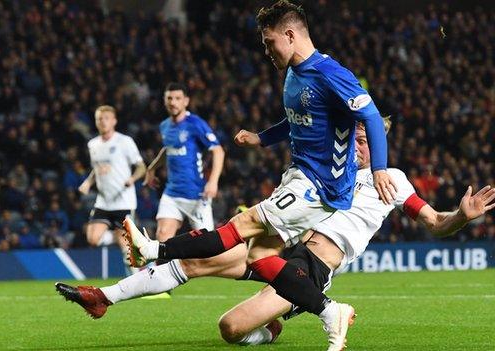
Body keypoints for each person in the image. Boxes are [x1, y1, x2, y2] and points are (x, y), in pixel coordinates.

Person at [55, 120, 495, 350]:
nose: (358, 145)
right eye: (356, 137)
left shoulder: (392, 179)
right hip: (282, 246)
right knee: (194, 261)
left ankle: (276, 326)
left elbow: (436, 222)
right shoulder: (331, 170)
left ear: (379, 144)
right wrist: (263, 140)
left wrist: (462, 214)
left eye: (365, 140)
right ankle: (104, 298)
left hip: (311, 265)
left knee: (229, 329)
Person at [122, 2, 395, 348]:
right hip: (300, 175)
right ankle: (330, 312)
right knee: (258, 257)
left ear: (291, 35)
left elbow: (370, 116)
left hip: (320, 185)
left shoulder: (330, 73)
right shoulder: (295, 73)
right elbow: (297, 121)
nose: (266, 50)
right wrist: (261, 138)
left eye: (269, 42)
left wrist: (380, 169)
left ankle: (154, 249)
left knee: (239, 227)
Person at [143, 82, 225, 242]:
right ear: (164, 101)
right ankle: (168, 267)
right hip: (172, 194)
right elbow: (168, 150)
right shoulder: (164, 126)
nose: (173, 102)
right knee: (162, 236)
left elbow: (218, 151)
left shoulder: (195, 124)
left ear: (185, 101)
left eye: (177, 98)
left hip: (196, 194)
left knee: (207, 246)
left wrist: (213, 181)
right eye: (169, 98)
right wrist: (152, 168)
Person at [78, 105, 146, 272]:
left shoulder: (124, 141)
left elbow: (141, 166)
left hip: (123, 201)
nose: (102, 122)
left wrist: (132, 178)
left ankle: (136, 280)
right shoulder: (93, 144)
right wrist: (88, 182)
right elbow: (97, 168)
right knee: (93, 239)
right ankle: (120, 238)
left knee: (127, 248)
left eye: (106, 118)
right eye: (99, 118)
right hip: (103, 201)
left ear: (114, 121)